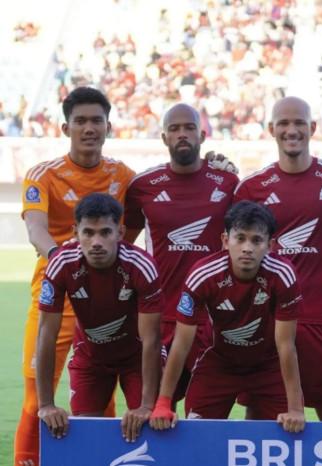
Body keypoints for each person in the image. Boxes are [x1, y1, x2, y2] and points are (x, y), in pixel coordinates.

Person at [16, 87, 135, 466]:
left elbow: (142, 221)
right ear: (66, 128)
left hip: (109, 302)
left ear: (108, 127)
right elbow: (35, 229)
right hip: (55, 297)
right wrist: (64, 265)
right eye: (80, 121)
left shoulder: (124, 176)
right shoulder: (44, 175)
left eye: (96, 121)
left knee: (102, 395)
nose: (89, 128)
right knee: (36, 398)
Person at [234, 96, 322, 420]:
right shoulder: (252, 188)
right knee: (260, 417)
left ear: (312, 128)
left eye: (299, 123)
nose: (292, 130)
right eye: (284, 123)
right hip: (267, 320)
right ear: (271, 129)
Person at [148, 201, 304, 433]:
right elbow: (181, 343)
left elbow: (286, 344)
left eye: (256, 240)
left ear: (270, 245)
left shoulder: (283, 275)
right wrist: (163, 402)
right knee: (197, 435)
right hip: (218, 362)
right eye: (240, 238)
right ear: (224, 240)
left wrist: (295, 409)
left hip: (268, 364)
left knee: (284, 434)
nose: (247, 248)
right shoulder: (203, 275)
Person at [124, 103, 238, 404]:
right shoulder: (143, 186)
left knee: (204, 415)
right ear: (164, 137)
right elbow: (124, 247)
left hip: (211, 318)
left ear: (202, 135)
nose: (182, 134)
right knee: (152, 411)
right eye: (174, 129)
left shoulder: (228, 183)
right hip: (159, 317)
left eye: (189, 128)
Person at [36, 193, 161, 444]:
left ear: (120, 232)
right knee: (85, 434)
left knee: (151, 428)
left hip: (137, 358)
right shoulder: (61, 263)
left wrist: (147, 405)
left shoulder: (141, 265)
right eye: (88, 233)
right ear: (75, 232)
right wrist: (46, 404)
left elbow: (152, 339)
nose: (96, 242)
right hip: (90, 358)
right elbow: (46, 335)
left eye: (105, 232)